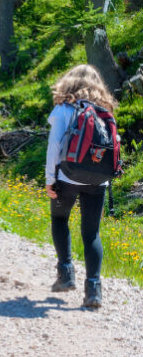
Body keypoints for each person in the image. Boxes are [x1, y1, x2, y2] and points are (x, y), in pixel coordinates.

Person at [45, 65, 117, 309]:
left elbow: (54, 146)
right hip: (98, 180)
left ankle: (66, 274)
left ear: (69, 82)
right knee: (91, 233)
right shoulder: (106, 111)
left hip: (67, 177)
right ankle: (93, 290)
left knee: (59, 219)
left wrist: (49, 179)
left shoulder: (63, 109)